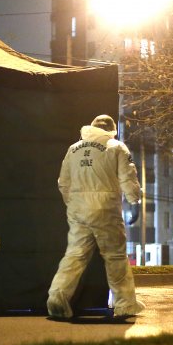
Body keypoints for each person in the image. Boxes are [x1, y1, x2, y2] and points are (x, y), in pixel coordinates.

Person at [46, 114, 145, 319]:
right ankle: (125, 303)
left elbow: (63, 182)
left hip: (78, 210)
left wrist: (73, 203)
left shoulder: (73, 149)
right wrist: (134, 198)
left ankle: (57, 298)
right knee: (115, 256)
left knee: (74, 255)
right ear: (112, 130)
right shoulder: (116, 146)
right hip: (105, 209)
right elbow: (127, 177)